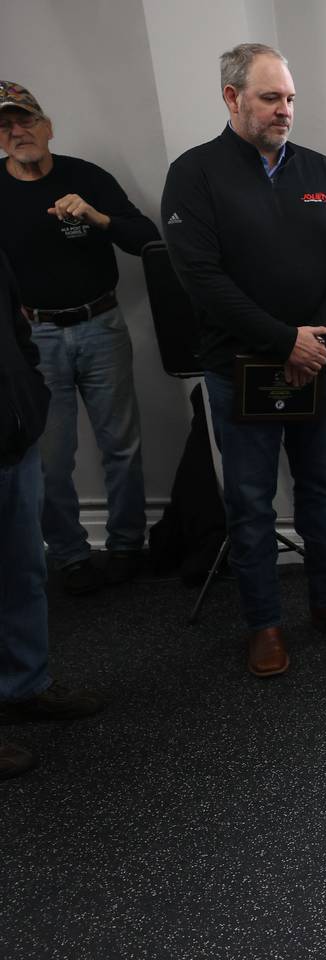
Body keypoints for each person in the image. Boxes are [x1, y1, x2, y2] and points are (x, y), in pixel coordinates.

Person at [161, 43, 326, 678]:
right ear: (232, 99)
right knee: (251, 504)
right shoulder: (194, 174)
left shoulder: (319, 169)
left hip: (321, 365)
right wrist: (284, 342)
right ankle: (263, 623)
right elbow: (201, 278)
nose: (285, 110)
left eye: (289, 98)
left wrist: (314, 340)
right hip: (243, 372)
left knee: (321, 492)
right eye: (270, 98)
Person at [0, 81, 159, 596]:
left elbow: (147, 240)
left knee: (122, 445)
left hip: (101, 326)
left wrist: (98, 217)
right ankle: (69, 554)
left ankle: (127, 545)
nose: (17, 131)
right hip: (35, 338)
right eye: (5, 126)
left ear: (48, 127)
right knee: (49, 456)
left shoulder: (86, 176)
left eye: (24, 120)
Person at [1, 249, 105, 780]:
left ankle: (24, 687)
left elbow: (15, 323)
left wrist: (32, 397)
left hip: (12, 436)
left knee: (24, 572)